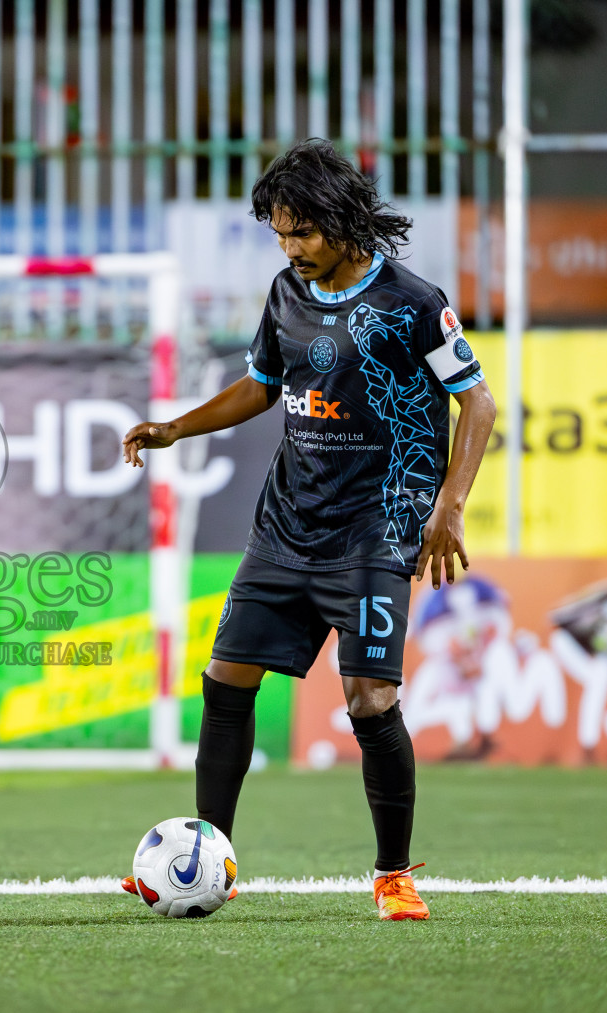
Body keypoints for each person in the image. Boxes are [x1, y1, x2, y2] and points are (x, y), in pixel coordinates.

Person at [121, 140, 497, 921]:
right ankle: (206, 858)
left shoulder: (413, 302)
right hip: (285, 527)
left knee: (369, 700)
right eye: (280, 235)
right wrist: (174, 429)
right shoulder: (285, 291)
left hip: (376, 531)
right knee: (227, 682)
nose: (290, 249)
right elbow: (262, 385)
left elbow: (480, 404)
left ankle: (393, 874)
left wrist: (448, 506)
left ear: (342, 220)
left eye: (302, 234)